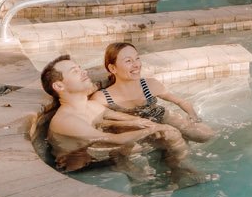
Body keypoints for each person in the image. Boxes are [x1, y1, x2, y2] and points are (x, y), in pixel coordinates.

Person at [39, 54, 191, 176]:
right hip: (81, 167)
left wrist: (155, 125)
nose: (84, 71)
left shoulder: (91, 106)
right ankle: (179, 172)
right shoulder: (67, 120)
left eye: (80, 68)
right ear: (59, 86)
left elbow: (126, 119)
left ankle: (178, 170)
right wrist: (152, 130)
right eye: (75, 71)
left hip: (99, 154)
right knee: (155, 139)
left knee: (170, 134)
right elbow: (111, 140)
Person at [98, 42, 214, 144]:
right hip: (135, 128)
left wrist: (192, 116)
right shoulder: (103, 98)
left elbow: (180, 101)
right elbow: (98, 124)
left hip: (160, 116)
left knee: (205, 134)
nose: (136, 65)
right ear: (113, 68)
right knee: (170, 138)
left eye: (137, 58)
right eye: (128, 61)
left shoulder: (149, 85)